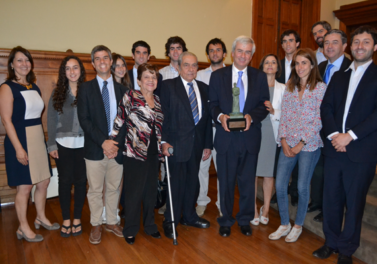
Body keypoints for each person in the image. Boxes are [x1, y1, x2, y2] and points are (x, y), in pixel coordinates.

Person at [313, 25, 377, 264]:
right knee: (331, 199)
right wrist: (333, 135)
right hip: (334, 149)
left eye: (366, 42)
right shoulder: (340, 76)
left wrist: (349, 135)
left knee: (354, 203)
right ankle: (330, 242)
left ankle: (347, 250)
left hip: (361, 152)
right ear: (351, 46)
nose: (360, 46)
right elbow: (326, 108)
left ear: (374, 47)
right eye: (357, 41)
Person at [209, 36, 269, 237]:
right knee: (225, 182)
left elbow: (264, 105)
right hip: (226, 139)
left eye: (248, 52)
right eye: (240, 51)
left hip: (250, 138)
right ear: (233, 53)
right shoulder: (218, 76)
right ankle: (225, 220)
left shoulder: (260, 77)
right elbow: (212, 104)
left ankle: (245, 219)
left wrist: (252, 116)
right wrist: (220, 116)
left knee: (247, 182)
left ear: (252, 56)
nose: (244, 55)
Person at [0, 46, 59, 242]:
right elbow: (6, 120)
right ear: (12, 64)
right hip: (20, 139)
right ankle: (23, 227)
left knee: (43, 181)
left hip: (37, 137)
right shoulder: (7, 87)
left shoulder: (34, 86)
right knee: (24, 187)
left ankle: (41, 217)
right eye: (19, 60)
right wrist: (18, 148)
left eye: (27, 60)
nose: (24, 64)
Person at [269, 48, 326, 243]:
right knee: (280, 184)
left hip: (308, 146)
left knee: (302, 186)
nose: (300, 67)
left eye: (304, 63)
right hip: (288, 142)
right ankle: (284, 223)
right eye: (297, 63)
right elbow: (284, 115)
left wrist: (301, 143)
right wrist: (283, 140)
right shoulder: (290, 87)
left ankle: (298, 225)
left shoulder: (320, 88)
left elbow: (319, 120)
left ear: (312, 65)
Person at [77, 45, 127, 244]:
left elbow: (126, 120)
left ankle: (112, 221)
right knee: (95, 189)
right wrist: (103, 142)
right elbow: (84, 120)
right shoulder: (85, 89)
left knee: (114, 187)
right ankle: (96, 224)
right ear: (93, 63)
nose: (102, 61)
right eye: (97, 59)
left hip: (117, 149)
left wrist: (115, 144)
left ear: (111, 61)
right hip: (95, 148)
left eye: (105, 57)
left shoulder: (123, 90)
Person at [160, 52, 213, 239]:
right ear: (179, 67)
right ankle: (170, 220)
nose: (191, 69)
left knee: (193, 182)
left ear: (198, 68)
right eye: (186, 65)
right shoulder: (167, 87)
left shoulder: (204, 88)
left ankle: (189, 216)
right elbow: (162, 117)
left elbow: (206, 120)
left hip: (197, 145)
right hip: (175, 145)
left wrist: (207, 144)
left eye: (194, 65)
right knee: (175, 184)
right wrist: (163, 141)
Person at [110, 63, 163, 245]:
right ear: (139, 81)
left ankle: (150, 226)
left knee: (150, 192)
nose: (150, 80)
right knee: (133, 193)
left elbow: (159, 128)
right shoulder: (131, 96)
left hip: (154, 154)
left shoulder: (158, 100)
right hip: (134, 153)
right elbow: (119, 120)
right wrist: (112, 141)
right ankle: (130, 229)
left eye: (153, 77)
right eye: (146, 77)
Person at [308, 29, 352, 223]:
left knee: (337, 176)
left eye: (335, 42)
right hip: (318, 126)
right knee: (319, 170)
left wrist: (338, 132)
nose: (330, 46)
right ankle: (319, 202)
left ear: (344, 46)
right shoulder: (320, 66)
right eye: (326, 43)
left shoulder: (352, 68)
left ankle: (331, 211)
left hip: (341, 133)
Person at [47, 55, 87, 237]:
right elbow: (51, 119)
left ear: (81, 70)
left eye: (75, 67)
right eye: (68, 68)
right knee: (64, 181)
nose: (72, 72)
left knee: (80, 182)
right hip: (62, 144)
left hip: (84, 144)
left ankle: (77, 218)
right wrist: (51, 144)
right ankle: (66, 219)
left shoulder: (88, 91)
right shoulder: (57, 93)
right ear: (64, 72)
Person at [252, 54, 285, 226]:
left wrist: (274, 111)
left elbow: (288, 114)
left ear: (278, 67)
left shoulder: (284, 88)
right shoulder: (254, 86)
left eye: (273, 62)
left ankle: (265, 208)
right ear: (262, 66)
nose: (270, 65)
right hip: (255, 131)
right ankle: (254, 208)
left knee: (268, 173)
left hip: (272, 133)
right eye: (267, 62)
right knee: (252, 172)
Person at [195, 38, 227, 217]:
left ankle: (222, 203)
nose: (215, 53)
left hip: (224, 129)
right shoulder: (199, 75)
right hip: (206, 128)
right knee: (202, 165)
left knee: (223, 167)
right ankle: (201, 201)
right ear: (208, 55)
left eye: (218, 50)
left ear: (224, 54)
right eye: (212, 50)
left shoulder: (232, 74)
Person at [157, 36, 188, 215]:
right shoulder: (161, 74)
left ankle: (183, 201)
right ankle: (166, 201)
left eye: (179, 48)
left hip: (186, 130)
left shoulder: (191, 71)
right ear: (168, 52)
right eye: (172, 48)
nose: (176, 51)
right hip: (169, 127)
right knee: (166, 167)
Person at [100, 53, 132, 222]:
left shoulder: (127, 90)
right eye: (117, 66)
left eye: (123, 66)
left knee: (118, 179)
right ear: (111, 68)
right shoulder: (104, 88)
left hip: (123, 141)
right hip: (106, 140)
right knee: (106, 179)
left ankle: (114, 210)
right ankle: (105, 210)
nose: (120, 69)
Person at [273, 29, 301, 206]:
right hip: (279, 117)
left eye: (291, 40)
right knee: (280, 157)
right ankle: (280, 190)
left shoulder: (303, 63)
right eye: (284, 41)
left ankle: (295, 190)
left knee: (297, 156)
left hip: (298, 118)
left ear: (297, 43)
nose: (287, 44)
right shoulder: (277, 64)